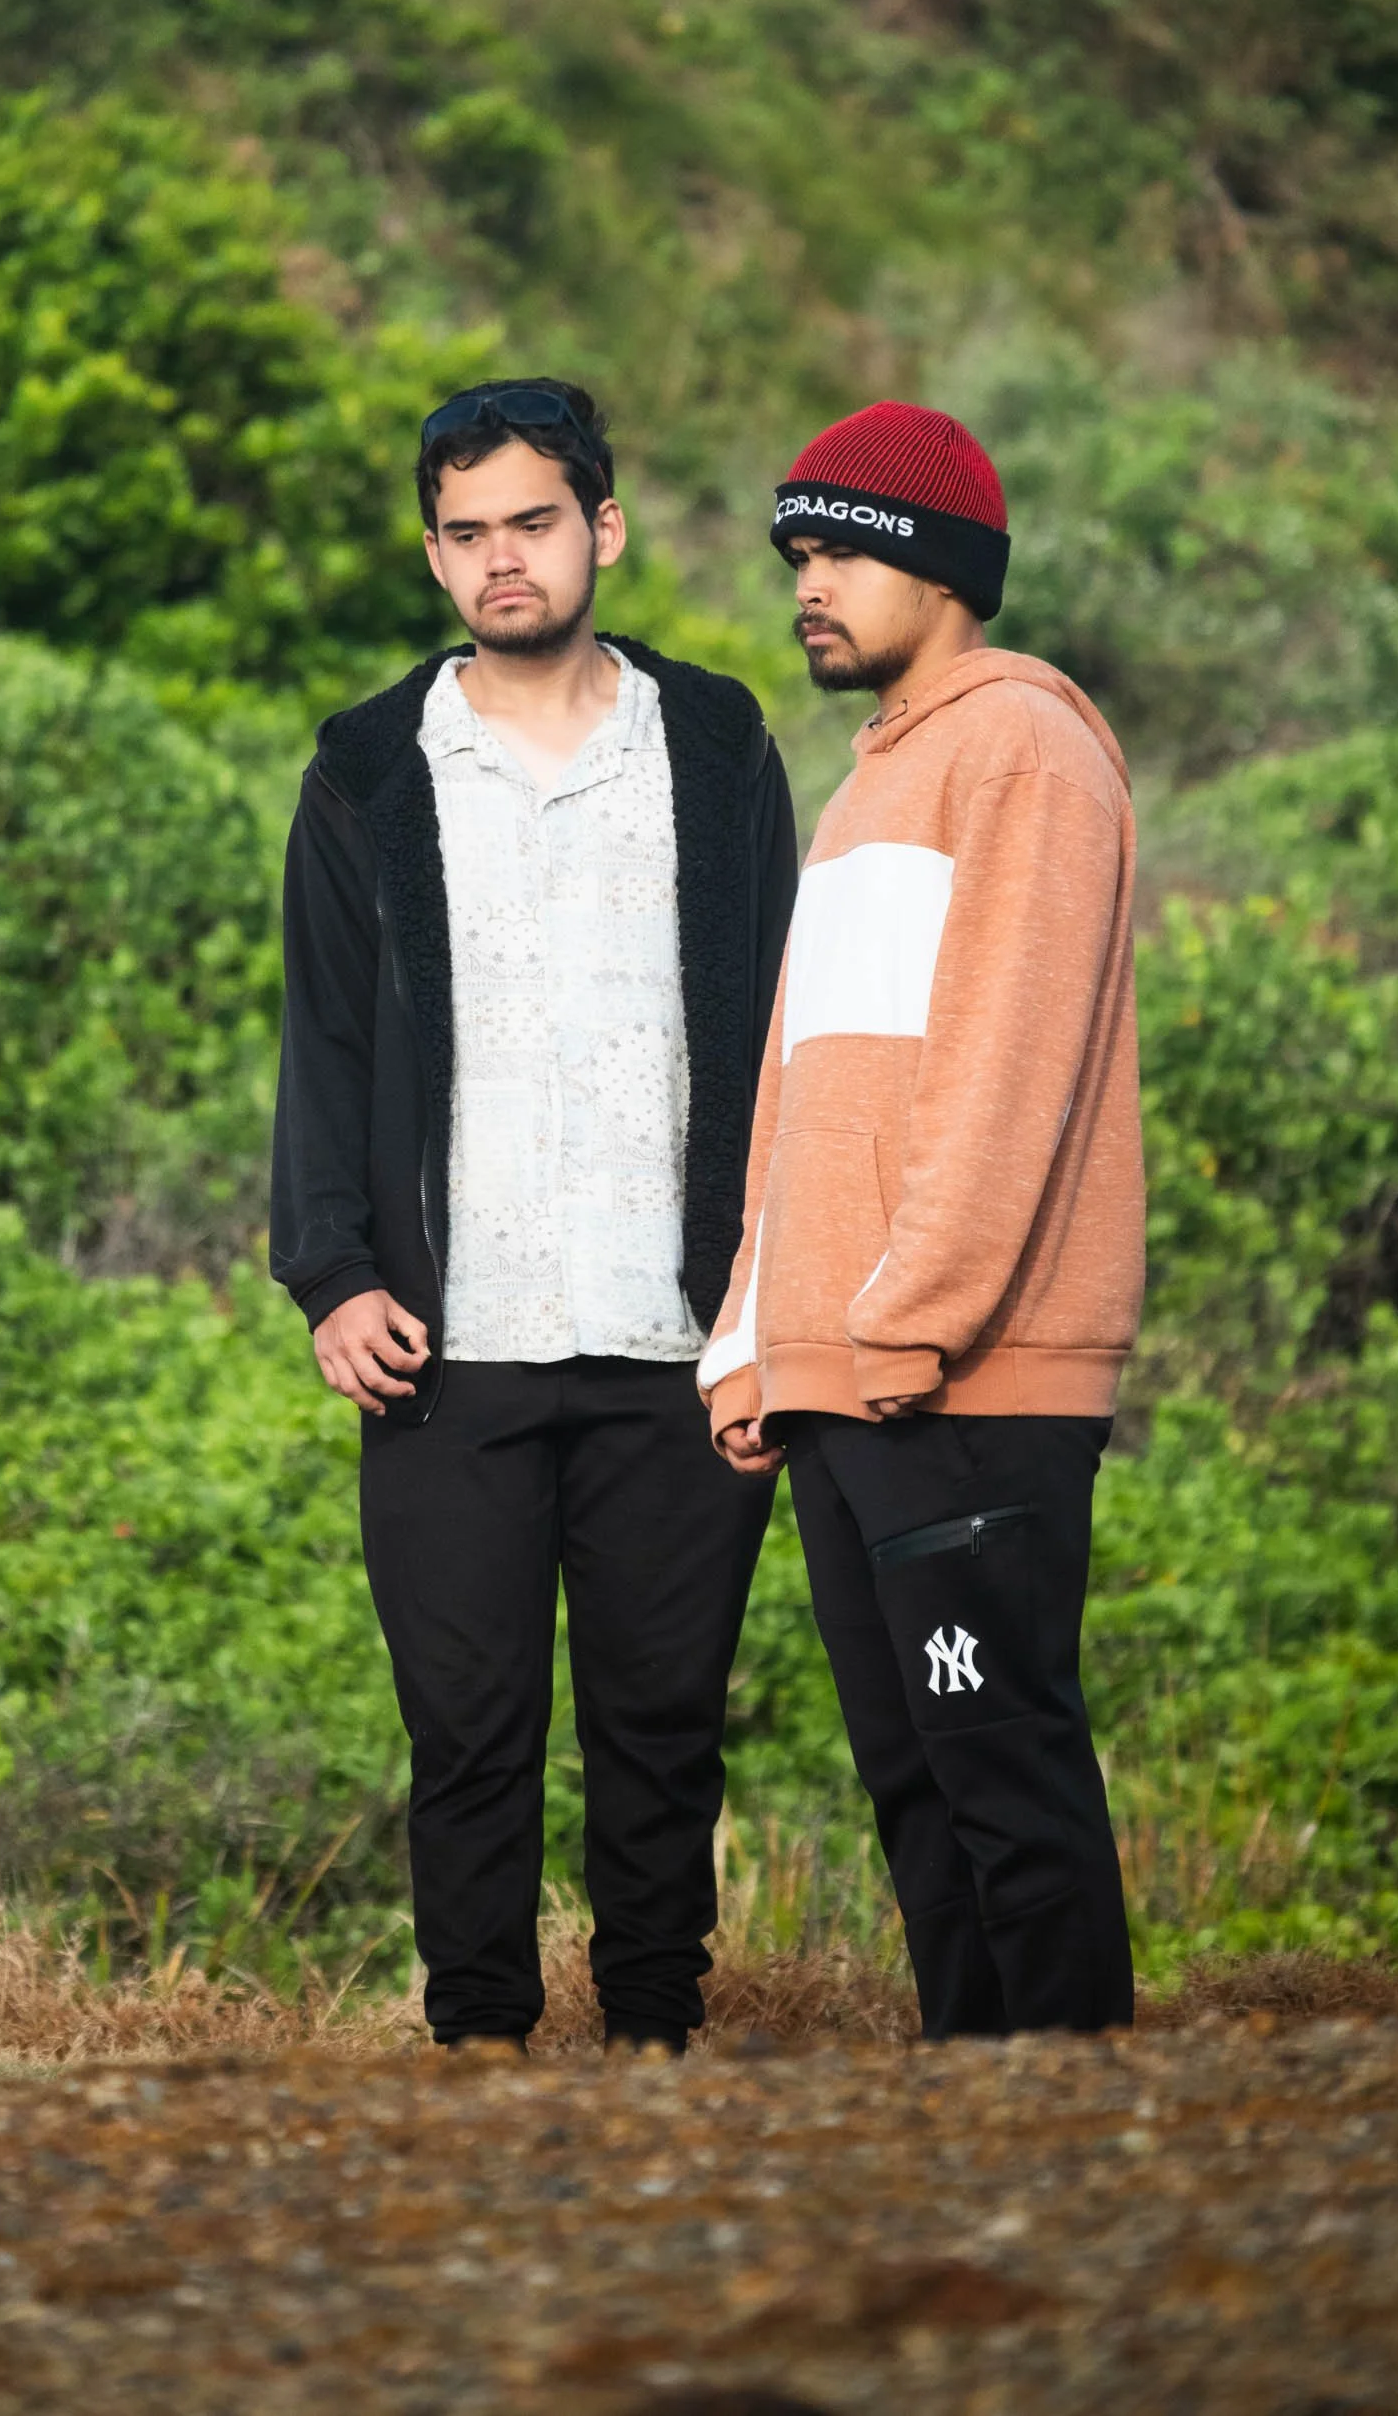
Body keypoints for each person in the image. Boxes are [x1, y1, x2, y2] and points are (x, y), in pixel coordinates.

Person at [272, 377, 796, 2054]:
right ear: (434, 558)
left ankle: (656, 2041)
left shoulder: (713, 744)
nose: (504, 561)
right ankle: (478, 2052)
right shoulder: (366, 766)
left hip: (676, 1331)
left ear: (603, 530)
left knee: (663, 1724)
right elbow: (324, 1037)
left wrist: (771, 1296)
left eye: (534, 523)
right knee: (469, 1728)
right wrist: (335, 1275)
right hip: (449, 1339)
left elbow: (784, 1026)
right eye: (468, 533)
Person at [702, 400, 1143, 2037]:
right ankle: (975, 2135)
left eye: (834, 551)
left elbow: (1006, 1070)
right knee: (915, 1785)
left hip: (960, 1372)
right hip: (849, 1370)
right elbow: (806, 1093)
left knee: (996, 1765)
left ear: (936, 565)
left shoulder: (1022, 747)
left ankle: (1072, 2132)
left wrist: (903, 1316)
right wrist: (757, 1337)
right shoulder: (872, 780)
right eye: (794, 554)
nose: (805, 582)